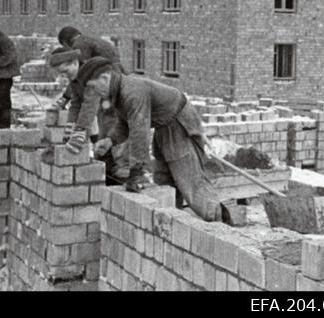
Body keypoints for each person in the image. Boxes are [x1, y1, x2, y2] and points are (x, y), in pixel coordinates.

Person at [73, 57, 228, 223]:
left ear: (104, 79)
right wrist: (110, 141)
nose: (94, 93)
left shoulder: (132, 92)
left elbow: (140, 132)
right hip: (164, 126)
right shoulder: (118, 93)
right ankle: (172, 224)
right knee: (164, 180)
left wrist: (136, 172)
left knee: (190, 183)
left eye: (93, 87)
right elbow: (124, 125)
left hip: (178, 124)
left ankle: (221, 222)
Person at [57, 26, 124, 139]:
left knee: (105, 115)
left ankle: (106, 150)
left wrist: (65, 97)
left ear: (65, 43)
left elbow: (79, 74)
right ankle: (101, 144)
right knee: (108, 115)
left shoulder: (79, 45)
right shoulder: (93, 41)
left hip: (107, 84)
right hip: (116, 80)